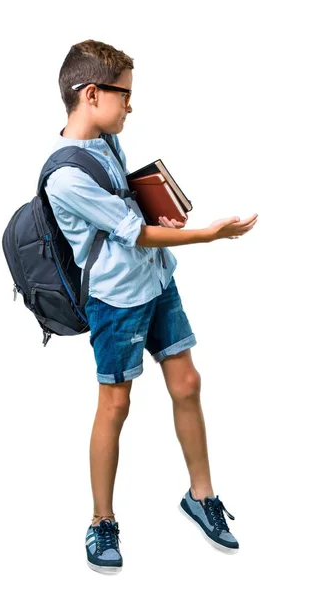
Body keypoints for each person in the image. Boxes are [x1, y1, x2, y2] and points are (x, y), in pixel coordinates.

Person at [44, 39, 258, 574]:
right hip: (116, 301)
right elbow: (132, 234)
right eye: (125, 96)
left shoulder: (107, 140)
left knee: (187, 382)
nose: (131, 106)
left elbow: (130, 214)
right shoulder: (65, 176)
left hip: (157, 282)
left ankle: (201, 496)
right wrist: (208, 235)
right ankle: (101, 522)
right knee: (115, 406)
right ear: (91, 94)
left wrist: (160, 217)